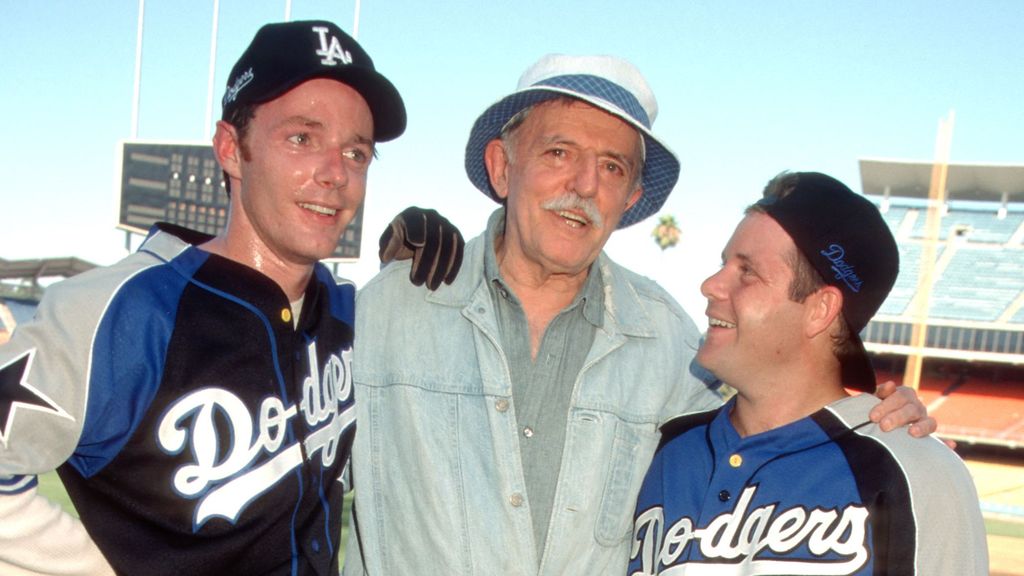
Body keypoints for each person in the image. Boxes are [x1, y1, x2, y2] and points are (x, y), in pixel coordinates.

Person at [345, 55, 933, 575]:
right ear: (502, 167)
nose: (583, 186)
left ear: (629, 200)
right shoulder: (387, 310)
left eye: (612, 168)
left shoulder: (670, 340)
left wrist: (877, 419)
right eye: (558, 152)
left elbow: (774, 426)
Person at [0, 20, 459, 576]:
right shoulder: (117, 310)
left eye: (357, 153)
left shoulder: (353, 313)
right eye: (302, 138)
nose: (335, 173)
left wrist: (425, 288)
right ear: (230, 149)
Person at [628, 171, 988, 575]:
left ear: (820, 310)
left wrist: (917, 455)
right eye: (723, 264)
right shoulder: (666, 449)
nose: (710, 285)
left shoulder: (914, 471)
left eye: (747, 272)